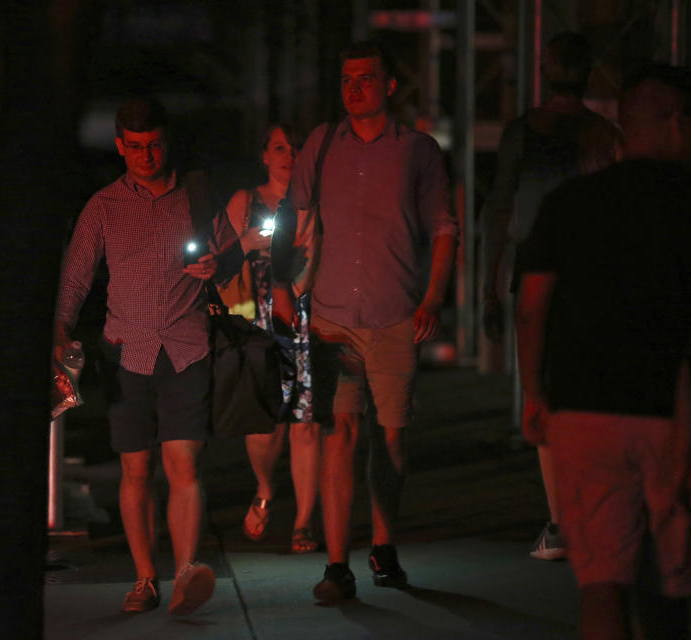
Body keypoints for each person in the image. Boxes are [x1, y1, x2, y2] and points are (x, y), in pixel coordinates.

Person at [516, 64, 691, 640]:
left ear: (622, 129)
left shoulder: (571, 203)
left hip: (585, 411)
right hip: (673, 412)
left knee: (602, 585)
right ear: (679, 123)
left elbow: (532, 306)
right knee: (673, 587)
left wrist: (535, 394)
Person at [285, 39, 458, 602]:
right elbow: (294, 211)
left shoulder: (418, 151)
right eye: (345, 80)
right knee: (340, 435)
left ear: (389, 85)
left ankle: (384, 544)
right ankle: (338, 565)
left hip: (392, 313)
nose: (353, 89)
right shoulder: (323, 143)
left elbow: (443, 227)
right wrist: (287, 285)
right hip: (333, 315)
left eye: (364, 79)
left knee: (390, 439)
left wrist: (432, 297)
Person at [53, 97, 241, 615]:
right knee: (135, 470)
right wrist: (60, 328)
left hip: (186, 346)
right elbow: (76, 275)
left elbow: (232, 251)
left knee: (184, 464)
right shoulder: (104, 206)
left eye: (153, 144)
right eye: (134, 147)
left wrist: (217, 264)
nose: (145, 155)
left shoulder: (196, 194)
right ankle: (144, 578)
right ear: (120, 147)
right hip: (124, 351)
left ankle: (184, 574)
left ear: (166, 142)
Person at [481, 32, 620, 561]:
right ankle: (592, 516)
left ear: (543, 69)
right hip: (595, 279)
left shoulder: (523, 132)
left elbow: (497, 210)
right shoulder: (604, 133)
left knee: (540, 393)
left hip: (538, 274)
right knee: (590, 395)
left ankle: (562, 524)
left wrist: (490, 287)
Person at [223, 124, 321, 554]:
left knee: (307, 423)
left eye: (295, 147)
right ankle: (265, 489)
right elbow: (218, 260)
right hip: (258, 321)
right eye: (280, 147)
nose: (289, 154)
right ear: (265, 154)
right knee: (264, 425)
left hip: (308, 316)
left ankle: (304, 521)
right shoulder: (245, 202)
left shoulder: (316, 201)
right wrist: (247, 242)